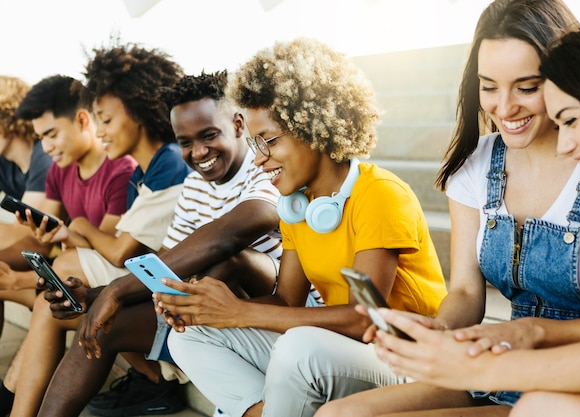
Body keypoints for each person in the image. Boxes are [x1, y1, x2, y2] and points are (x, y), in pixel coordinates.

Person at [315, 1, 580, 416]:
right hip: (504, 357)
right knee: (341, 413)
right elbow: (464, 290)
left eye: (527, 88)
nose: (504, 106)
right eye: (489, 86)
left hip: (560, 372)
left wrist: (516, 341)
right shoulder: (478, 164)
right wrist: (439, 335)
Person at [151, 37, 447, 417]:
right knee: (192, 335)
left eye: (270, 141)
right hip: (335, 351)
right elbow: (286, 303)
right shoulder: (300, 206)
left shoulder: (381, 194)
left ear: (315, 127)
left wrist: (239, 312)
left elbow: (363, 318)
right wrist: (205, 310)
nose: (259, 160)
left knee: (300, 347)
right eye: (255, 144)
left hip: (407, 360)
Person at [35, 70, 285, 417]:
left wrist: (117, 291)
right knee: (103, 326)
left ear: (239, 125)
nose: (199, 152)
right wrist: (93, 295)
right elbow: (165, 261)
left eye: (210, 135)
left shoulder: (267, 168)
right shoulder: (196, 186)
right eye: (185, 141)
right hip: (202, 309)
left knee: (226, 259)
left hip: (273, 309)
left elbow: (229, 235)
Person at [2, 44, 192, 417]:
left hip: (168, 305)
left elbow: (122, 251)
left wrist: (81, 228)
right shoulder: (143, 171)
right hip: (146, 291)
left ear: (137, 110)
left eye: (106, 119)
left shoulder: (165, 164)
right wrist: (73, 234)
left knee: (62, 275)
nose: (102, 131)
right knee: (56, 286)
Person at [0, 74, 137, 417]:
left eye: (51, 134)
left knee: (49, 298)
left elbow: (104, 255)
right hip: (72, 286)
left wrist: (69, 234)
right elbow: (51, 242)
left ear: (82, 120)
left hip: (112, 294)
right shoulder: (60, 172)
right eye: (40, 137)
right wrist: (52, 237)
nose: (45, 148)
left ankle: (13, 405)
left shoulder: (121, 169)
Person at [0, 75, 53, 337]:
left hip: (53, 254)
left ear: (7, 117)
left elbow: (34, 239)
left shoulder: (44, 157)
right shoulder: (5, 163)